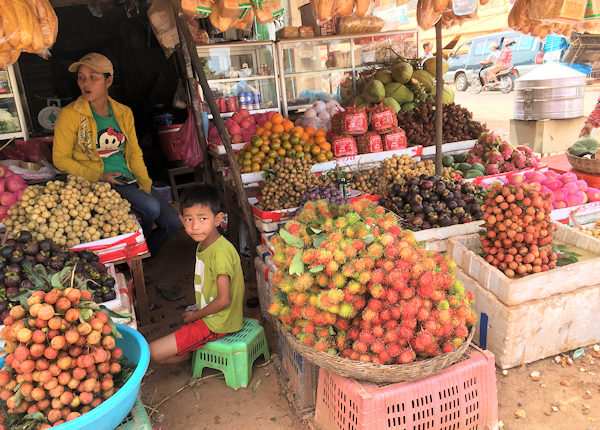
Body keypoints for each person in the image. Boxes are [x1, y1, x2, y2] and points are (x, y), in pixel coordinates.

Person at [53, 53, 181, 258]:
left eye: (93, 77)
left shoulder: (123, 112)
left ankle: (138, 258)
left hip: (126, 177)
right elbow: (60, 158)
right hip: (96, 182)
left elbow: (134, 153)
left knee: (173, 224)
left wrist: (145, 183)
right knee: (151, 208)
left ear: (108, 80)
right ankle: (134, 257)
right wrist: (99, 175)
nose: (85, 83)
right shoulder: (71, 115)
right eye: (81, 77)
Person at [149, 185, 245, 364]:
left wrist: (196, 316)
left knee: (153, 353)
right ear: (180, 219)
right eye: (188, 219)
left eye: (202, 218)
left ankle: (196, 352)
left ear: (218, 219)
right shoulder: (206, 244)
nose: (194, 226)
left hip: (218, 323)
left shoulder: (220, 253)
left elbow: (224, 300)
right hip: (212, 315)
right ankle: (194, 346)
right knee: (184, 319)